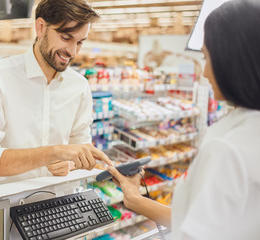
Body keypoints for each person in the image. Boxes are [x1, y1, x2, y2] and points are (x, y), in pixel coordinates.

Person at [107, 0, 260, 239]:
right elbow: (204, 223)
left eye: (207, 58)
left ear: (232, 63)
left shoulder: (227, 150)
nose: (206, 73)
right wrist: (136, 200)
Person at [0, 0, 112, 188]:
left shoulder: (79, 86)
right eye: (66, 38)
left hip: (59, 204)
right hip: (6, 207)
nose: (72, 51)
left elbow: (80, 148)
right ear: (41, 27)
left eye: (80, 42)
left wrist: (71, 163)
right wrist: (54, 152)